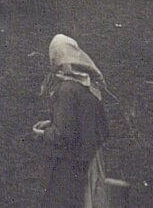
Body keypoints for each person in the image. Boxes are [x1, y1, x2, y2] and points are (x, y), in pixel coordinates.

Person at [33, 34, 109, 207]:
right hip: (90, 161)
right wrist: (52, 123)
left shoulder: (66, 90)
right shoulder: (89, 86)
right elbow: (98, 128)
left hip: (71, 164)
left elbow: (63, 135)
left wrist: (44, 133)